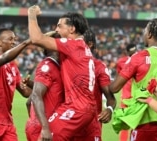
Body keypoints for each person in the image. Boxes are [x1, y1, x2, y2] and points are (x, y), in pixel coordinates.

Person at [27, 6, 97, 140]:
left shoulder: (72, 45)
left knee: (45, 136)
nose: (56, 30)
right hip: (82, 106)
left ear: (72, 29)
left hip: (77, 108)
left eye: (59, 26)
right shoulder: (82, 47)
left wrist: (31, 14)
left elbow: (36, 39)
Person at [109, 18, 157, 141]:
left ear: (149, 34)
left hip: (146, 124)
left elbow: (114, 88)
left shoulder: (140, 57)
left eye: (145, 31)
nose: (143, 34)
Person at [73, 29, 117, 141]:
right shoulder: (67, 64)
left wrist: (109, 109)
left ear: (90, 44)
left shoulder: (99, 67)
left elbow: (110, 98)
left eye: (79, 41)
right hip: (69, 126)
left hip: (91, 129)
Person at [24, 31, 64, 141]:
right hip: (44, 126)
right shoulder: (47, 66)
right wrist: (44, 127)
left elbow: (29, 102)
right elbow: (35, 97)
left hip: (41, 124)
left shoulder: (57, 66)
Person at [116, 43, 137, 141]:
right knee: (126, 126)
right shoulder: (121, 62)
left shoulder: (139, 60)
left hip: (135, 98)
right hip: (128, 97)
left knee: (135, 125)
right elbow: (120, 77)